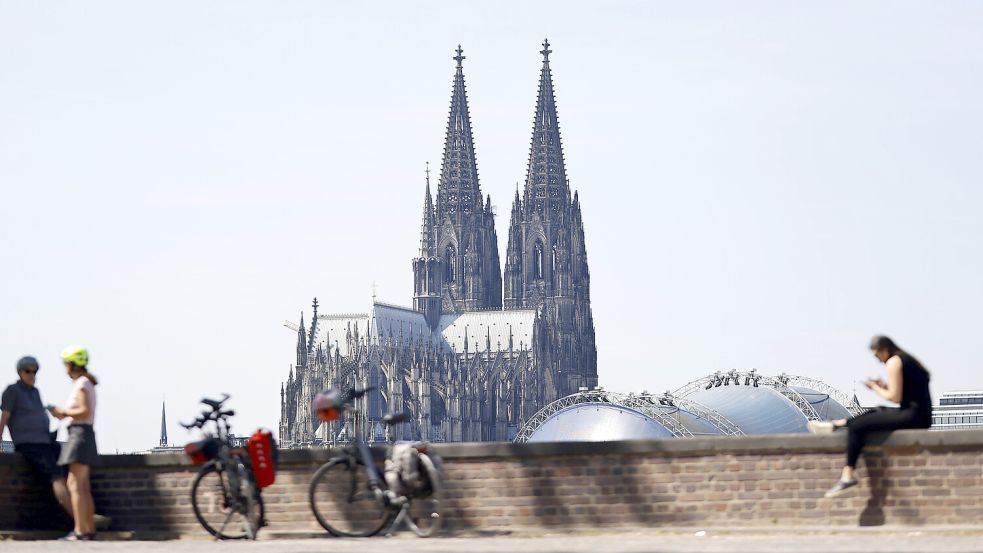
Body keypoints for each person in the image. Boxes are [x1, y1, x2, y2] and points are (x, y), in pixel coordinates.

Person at [808, 335, 932, 498]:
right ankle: (837, 424)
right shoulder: (908, 360)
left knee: (857, 427)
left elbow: (895, 397)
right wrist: (885, 386)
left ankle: (848, 476)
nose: (877, 359)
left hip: (913, 416)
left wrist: (875, 388)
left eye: (876, 355)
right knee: (877, 410)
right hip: (920, 414)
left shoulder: (893, 362)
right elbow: (908, 392)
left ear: (884, 349)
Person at [1, 356, 74, 517]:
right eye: (28, 371)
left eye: (35, 371)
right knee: (57, 477)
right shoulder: (12, 391)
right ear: (20, 372)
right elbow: (4, 418)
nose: (32, 374)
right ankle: (79, 520)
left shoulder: (35, 392)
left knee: (70, 467)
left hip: (46, 442)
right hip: (29, 444)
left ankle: (79, 513)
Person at [48, 346, 100, 541]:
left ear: (71, 364)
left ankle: (80, 530)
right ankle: (88, 529)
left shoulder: (82, 384)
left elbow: (84, 411)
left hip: (79, 434)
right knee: (82, 485)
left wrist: (63, 412)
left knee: (74, 484)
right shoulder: (87, 382)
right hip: (84, 434)